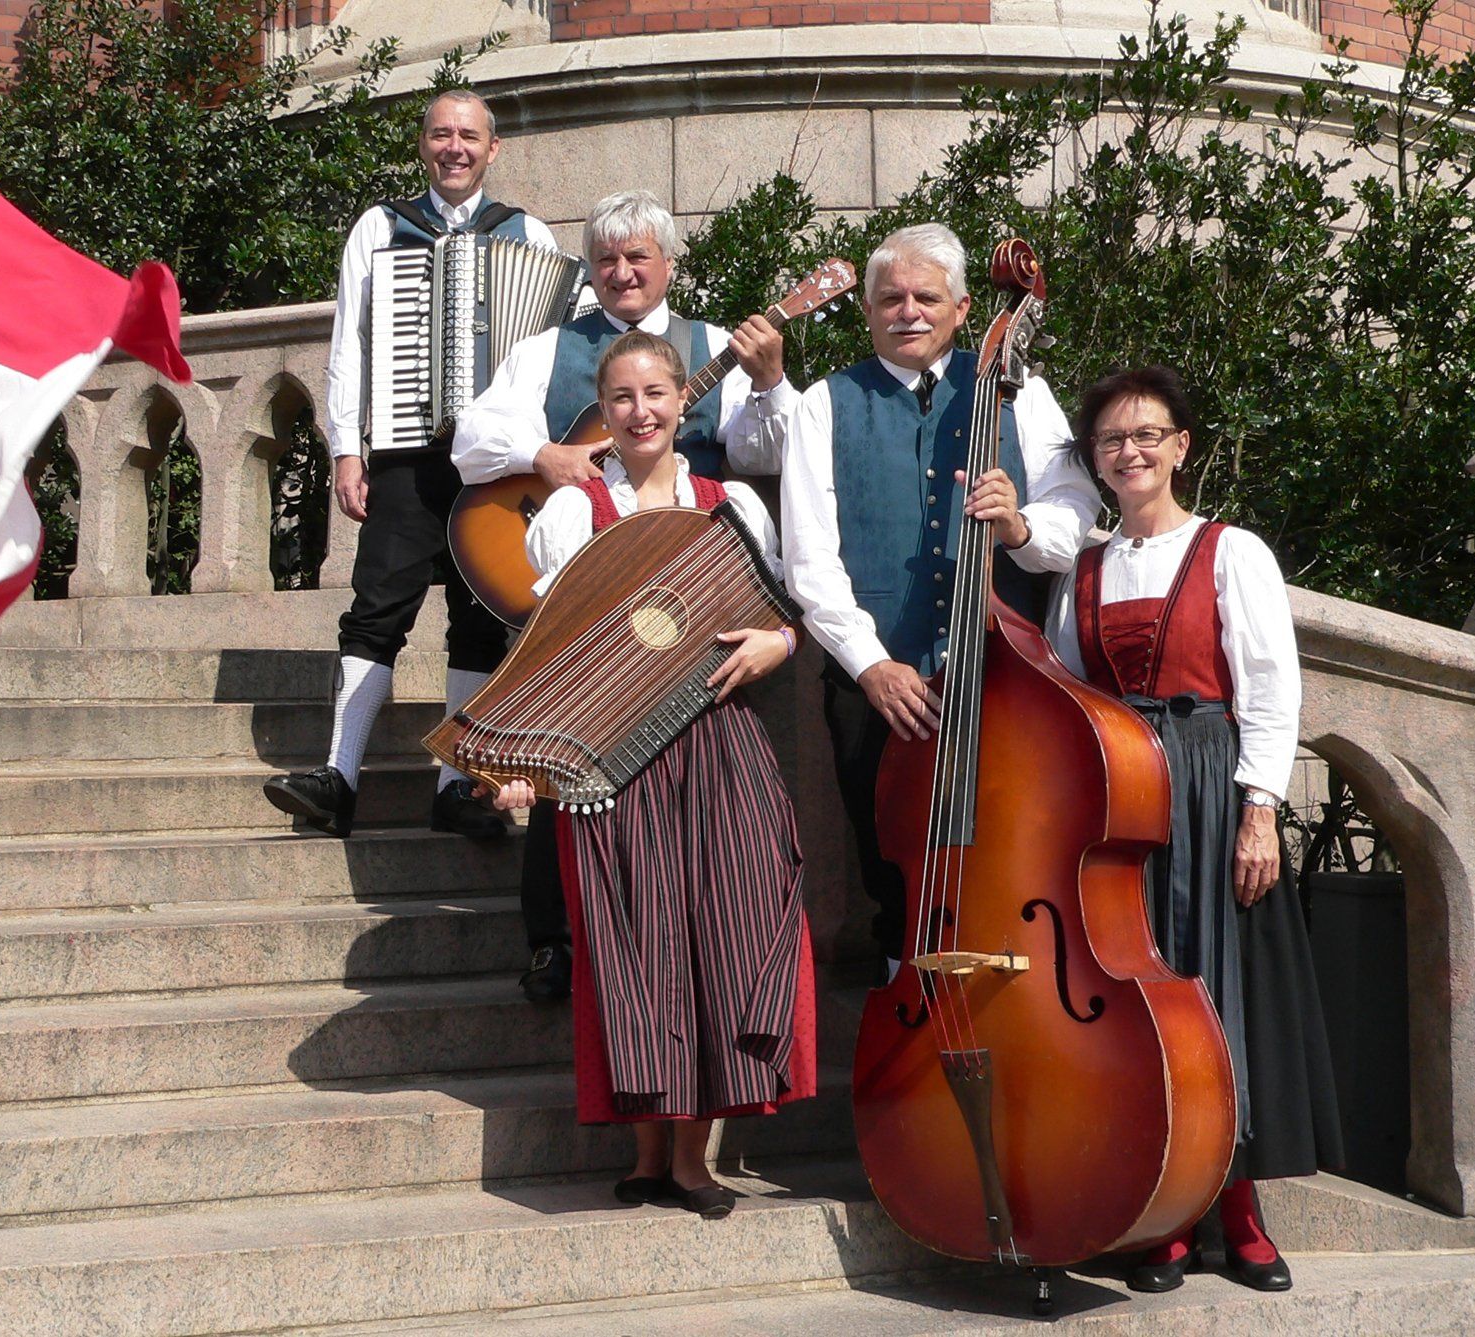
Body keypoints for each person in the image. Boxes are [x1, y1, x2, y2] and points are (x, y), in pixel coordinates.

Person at [489, 330, 815, 1220]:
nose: (641, 411)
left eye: (656, 394)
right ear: (604, 411)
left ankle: (692, 1159)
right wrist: (515, 765)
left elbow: (782, 608)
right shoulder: (573, 511)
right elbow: (548, 653)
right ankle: (646, 1154)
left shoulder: (731, 503)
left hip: (720, 744)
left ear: (683, 401)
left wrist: (780, 644)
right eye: (624, 397)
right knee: (635, 946)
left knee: (730, 934)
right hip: (612, 759)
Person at [1042, 364, 1343, 1293]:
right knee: (1140, 1002)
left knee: (1220, 996)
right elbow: (1067, 692)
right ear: (1095, 460)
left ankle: (1241, 1215)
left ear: (1180, 446)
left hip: (1211, 794)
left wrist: (1260, 810)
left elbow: (1271, 688)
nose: (1129, 452)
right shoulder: (1084, 568)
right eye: (1111, 440)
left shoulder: (1232, 550)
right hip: (1122, 808)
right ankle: (1164, 1219)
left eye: (1146, 435)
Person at [453, 189, 795, 1004]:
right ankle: (555, 942)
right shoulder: (547, 350)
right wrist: (547, 456)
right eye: (606, 259)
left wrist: (771, 381)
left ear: (668, 263)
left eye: (638, 256)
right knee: (568, 743)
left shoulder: (713, 344)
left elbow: (765, 451)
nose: (622, 272)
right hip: (592, 592)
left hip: (690, 613)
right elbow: (469, 443)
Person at [778, 222, 1101, 982]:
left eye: (926, 297)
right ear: (867, 310)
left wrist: (1020, 526)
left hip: (1007, 678)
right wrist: (870, 666)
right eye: (891, 298)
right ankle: (910, 1004)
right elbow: (809, 560)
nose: (908, 312)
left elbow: (1076, 508)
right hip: (876, 686)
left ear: (962, 309)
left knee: (1021, 855)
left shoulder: (1020, 393)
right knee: (891, 870)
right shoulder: (824, 404)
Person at [262, 90, 558, 841]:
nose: (454, 147)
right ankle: (338, 778)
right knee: (377, 608)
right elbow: (351, 347)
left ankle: (456, 787)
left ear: (493, 149)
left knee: (479, 617)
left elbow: (550, 350)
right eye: (440, 134)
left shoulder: (527, 233)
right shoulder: (381, 226)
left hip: (496, 466)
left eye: (469, 136)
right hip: (407, 454)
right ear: (423, 145)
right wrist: (346, 449)